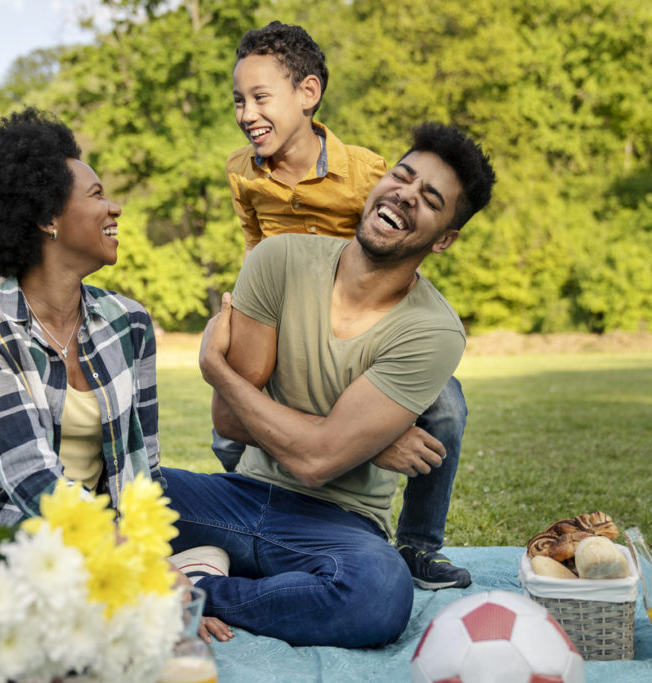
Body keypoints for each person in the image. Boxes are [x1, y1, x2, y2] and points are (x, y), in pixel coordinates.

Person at [0, 108, 233, 642]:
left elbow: (142, 473)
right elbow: (33, 481)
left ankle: (178, 579)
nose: (115, 207)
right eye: (96, 195)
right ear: (48, 219)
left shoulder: (129, 323)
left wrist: (157, 577)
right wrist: (146, 576)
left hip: (80, 545)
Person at [164, 121, 496, 647]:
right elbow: (228, 421)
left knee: (380, 593)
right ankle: (252, 584)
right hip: (240, 495)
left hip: (338, 526)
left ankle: (194, 588)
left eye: (430, 199)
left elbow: (315, 463)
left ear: (445, 239)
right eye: (402, 176)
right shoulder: (279, 260)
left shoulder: (433, 330)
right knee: (98, 497)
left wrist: (219, 372)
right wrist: (357, 442)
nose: (405, 195)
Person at [219, 19, 471, 589]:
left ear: (308, 94)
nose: (246, 112)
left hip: (355, 312)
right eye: (239, 99)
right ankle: (261, 519)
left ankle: (418, 544)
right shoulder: (242, 171)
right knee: (229, 422)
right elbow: (254, 240)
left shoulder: (367, 171)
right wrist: (246, 314)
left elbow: (395, 245)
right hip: (284, 311)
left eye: (261, 97)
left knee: (448, 412)